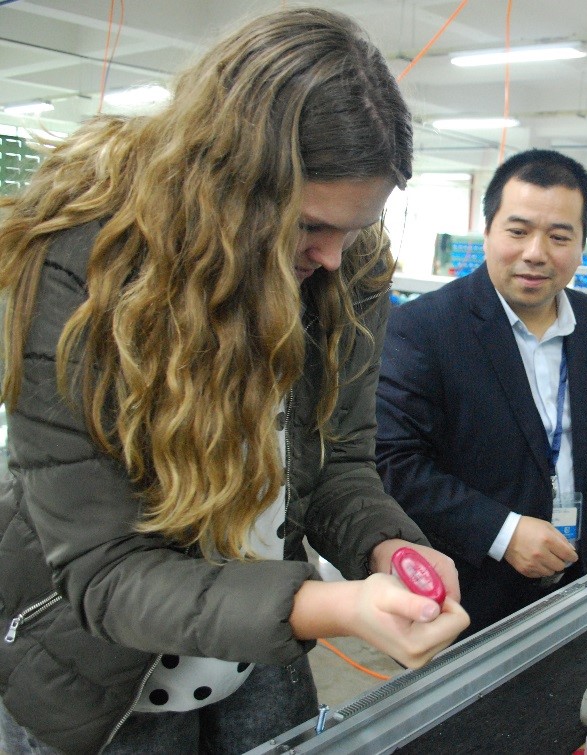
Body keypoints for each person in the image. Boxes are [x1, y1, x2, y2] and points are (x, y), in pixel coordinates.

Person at [0, 9, 469, 754]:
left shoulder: (343, 267)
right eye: (311, 227)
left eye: (357, 227)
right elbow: (107, 574)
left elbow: (337, 461)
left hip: (259, 653)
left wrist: (385, 546)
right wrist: (328, 605)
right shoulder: (79, 267)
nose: (336, 258)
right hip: (95, 680)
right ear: (233, 190)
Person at [374, 149, 587, 636]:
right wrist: (502, 531)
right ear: (487, 231)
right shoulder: (425, 328)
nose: (535, 252)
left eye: (559, 236)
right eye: (518, 230)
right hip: (467, 591)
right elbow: (393, 462)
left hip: (574, 576)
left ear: (581, 244)